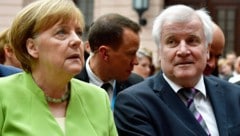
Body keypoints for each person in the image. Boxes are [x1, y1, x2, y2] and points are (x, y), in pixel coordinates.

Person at [114, 4, 240, 136]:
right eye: (172, 42)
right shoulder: (135, 103)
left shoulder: (235, 95)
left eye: (192, 40)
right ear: (160, 51)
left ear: (207, 50)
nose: (183, 51)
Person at [0, 0, 117, 135]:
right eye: (61, 33)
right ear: (32, 47)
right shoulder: (3, 93)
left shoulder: (98, 98)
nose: (77, 40)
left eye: (79, 32)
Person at [74, 13, 144, 109]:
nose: (136, 62)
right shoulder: (68, 83)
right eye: (130, 54)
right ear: (105, 53)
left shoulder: (137, 86)